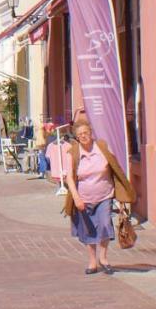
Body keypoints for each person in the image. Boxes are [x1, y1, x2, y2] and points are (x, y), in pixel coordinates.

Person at [61, 118, 134, 275]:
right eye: (80, 134)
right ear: (77, 137)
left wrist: (122, 194)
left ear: (91, 133)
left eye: (86, 133)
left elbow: (115, 168)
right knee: (89, 230)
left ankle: (103, 258)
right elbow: (70, 178)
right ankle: (92, 261)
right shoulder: (73, 153)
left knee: (105, 224)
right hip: (84, 199)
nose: (83, 136)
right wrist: (76, 198)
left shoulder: (102, 147)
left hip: (105, 196)